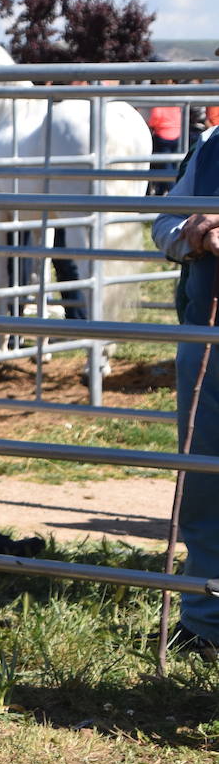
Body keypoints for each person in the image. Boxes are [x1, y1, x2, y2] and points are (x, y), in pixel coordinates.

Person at [151, 124, 219, 659]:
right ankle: (204, 620)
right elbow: (165, 223)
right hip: (207, 334)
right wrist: (191, 232)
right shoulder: (214, 144)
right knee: (203, 479)